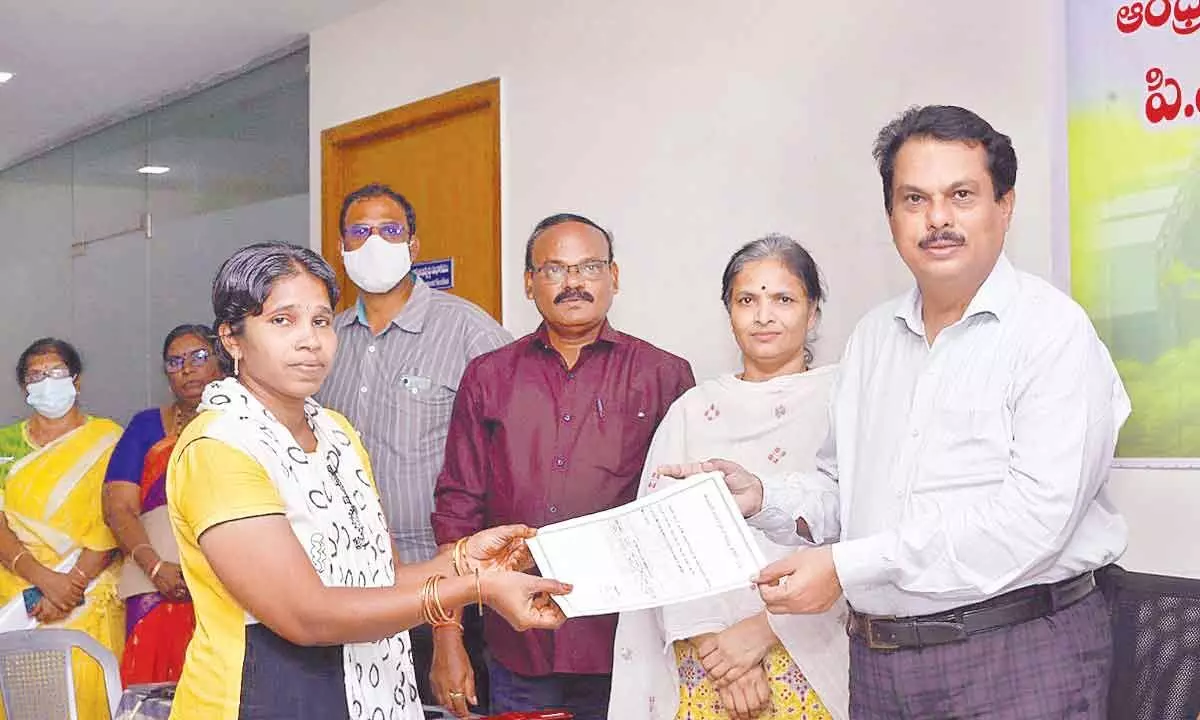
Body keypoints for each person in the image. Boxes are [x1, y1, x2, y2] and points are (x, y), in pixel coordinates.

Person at [661, 105, 1129, 719]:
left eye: (961, 194)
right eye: (914, 198)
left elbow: (1033, 523)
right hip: (882, 665)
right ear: (891, 217)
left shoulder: (1052, 334)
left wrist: (845, 567)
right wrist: (761, 497)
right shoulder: (873, 338)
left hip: (1015, 654)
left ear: (1004, 206)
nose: (937, 218)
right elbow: (843, 492)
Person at [165, 242, 571, 719]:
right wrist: (473, 589)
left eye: (320, 321)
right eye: (282, 321)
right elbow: (305, 615)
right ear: (232, 340)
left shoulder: (336, 433)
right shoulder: (220, 447)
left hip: (374, 694)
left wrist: (464, 561)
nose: (309, 340)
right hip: (266, 699)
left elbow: (383, 579)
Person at [432, 214, 696, 720]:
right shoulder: (488, 376)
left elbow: (684, 517)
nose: (573, 282)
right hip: (518, 645)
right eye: (554, 269)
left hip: (628, 643)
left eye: (589, 267)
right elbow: (457, 510)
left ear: (614, 278)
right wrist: (449, 637)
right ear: (529, 282)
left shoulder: (664, 375)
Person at [610, 235, 849, 720]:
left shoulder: (846, 398)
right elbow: (656, 546)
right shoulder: (693, 412)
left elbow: (866, 533)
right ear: (729, 312)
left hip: (814, 652)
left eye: (783, 299)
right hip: (706, 662)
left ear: (814, 310)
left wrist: (762, 633)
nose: (764, 316)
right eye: (747, 300)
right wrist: (720, 652)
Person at [318, 183, 512, 715]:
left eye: (390, 230)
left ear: (414, 246)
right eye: (359, 231)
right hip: (348, 581)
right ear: (341, 247)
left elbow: (508, 453)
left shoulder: (467, 330)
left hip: (447, 580)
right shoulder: (326, 340)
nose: (374, 242)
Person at [0, 338, 124, 720]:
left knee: (85, 690)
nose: (46, 382)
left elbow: (116, 517)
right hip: (16, 592)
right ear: (24, 387)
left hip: (88, 588)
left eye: (55, 372)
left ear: (76, 380)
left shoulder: (109, 440)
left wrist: (70, 585)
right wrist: (43, 579)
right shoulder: (5, 444)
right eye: (35, 375)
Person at [102, 323, 224, 686]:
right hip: (153, 583)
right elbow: (117, 507)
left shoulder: (245, 422)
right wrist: (155, 568)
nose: (187, 369)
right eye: (174, 362)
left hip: (227, 583)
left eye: (199, 357)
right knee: (150, 693)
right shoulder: (145, 427)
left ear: (221, 358)